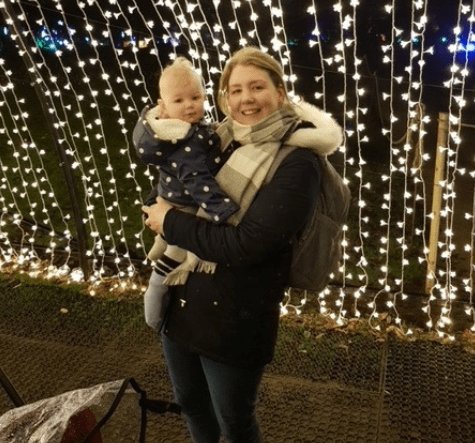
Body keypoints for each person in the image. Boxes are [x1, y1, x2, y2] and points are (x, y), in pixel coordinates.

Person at [142, 46, 343, 443]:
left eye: (257, 87)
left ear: (280, 93)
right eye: (235, 90)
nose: (245, 98)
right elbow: (172, 184)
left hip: (235, 319)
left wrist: (169, 221)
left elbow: (247, 245)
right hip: (181, 304)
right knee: (192, 404)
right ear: (224, 97)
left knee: (234, 422)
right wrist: (156, 206)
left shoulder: (298, 162)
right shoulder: (219, 138)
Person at [133, 57, 239, 330]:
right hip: (182, 206)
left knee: (166, 242)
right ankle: (154, 313)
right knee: (172, 260)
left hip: (169, 198)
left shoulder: (183, 132)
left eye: (195, 96)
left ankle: (161, 243)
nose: (190, 105)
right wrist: (223, 211)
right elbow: (197, 181)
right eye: (179, 101)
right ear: (163, 107)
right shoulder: (185, 144)